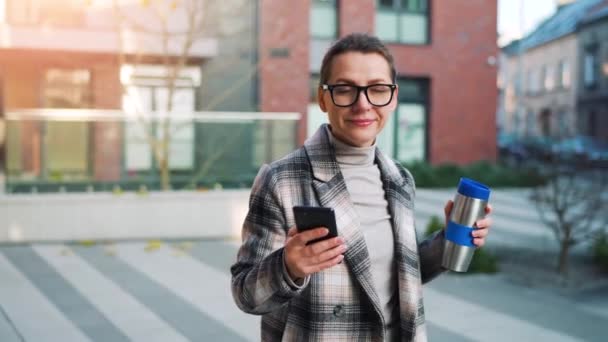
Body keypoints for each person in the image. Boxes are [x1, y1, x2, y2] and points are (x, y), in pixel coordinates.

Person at [231, 33, 492, 342]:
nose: (363, 104)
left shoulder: (399, 179)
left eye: (377, 89)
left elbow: (394, 275)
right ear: (324, 98)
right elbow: (245, 294)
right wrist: (289, 266)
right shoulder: (281, 179)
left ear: (393, 98)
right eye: (345, 89)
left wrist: (447, 241)